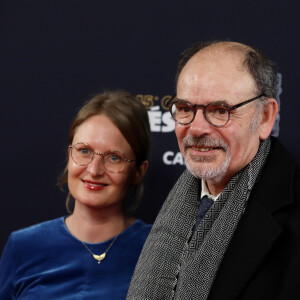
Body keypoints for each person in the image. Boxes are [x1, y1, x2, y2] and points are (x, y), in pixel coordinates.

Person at [127, 41, 300, 300]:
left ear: (265, 117)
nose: (197, 129)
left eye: (220, 111)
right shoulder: (178, 203)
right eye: (185, 109)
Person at [0, 90, 152, 299]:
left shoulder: (159, 250)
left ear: (138, 172)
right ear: (69, 155)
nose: (94, 170)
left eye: (114, 157)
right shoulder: (22, 246)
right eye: (84, 151)